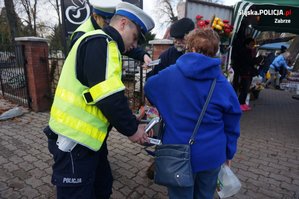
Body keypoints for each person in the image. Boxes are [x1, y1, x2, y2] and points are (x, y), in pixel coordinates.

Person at [43, 2, 155, 199]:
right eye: (135, 37)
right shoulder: (100, 43)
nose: (135, 45)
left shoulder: (105, 45)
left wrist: (134, 121)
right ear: (122, 23)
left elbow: (108, 93)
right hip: (74, 141)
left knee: (103, 186)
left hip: (90, 141)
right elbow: (109, 97)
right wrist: (132, 130)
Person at [144, 28, 241, 199]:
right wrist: (229, 153)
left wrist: (168, 107)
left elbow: (150, 88)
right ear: (215, 51)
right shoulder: (223, 84)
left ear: (191, 48)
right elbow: (232, 126)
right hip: (212, 154)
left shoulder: (170, 74)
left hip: (176, 152)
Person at [70, 0, 152, 65]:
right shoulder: (82, 35)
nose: (111, 24)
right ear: (95, 16)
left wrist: (142, 55)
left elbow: (123, 45)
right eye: (107, 21)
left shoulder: (106, 33)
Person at [237, 38, 260, 112]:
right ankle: (240, 104)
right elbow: (250, 61)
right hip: (245, 73)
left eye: (253, 44)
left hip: (247, 72)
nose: (253, 46)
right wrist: (258, 59)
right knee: (244, 89)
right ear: (247, 44)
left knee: (246, 89)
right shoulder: (246, 51)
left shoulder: (248, 51)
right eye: (251, 44)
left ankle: (243, 103)